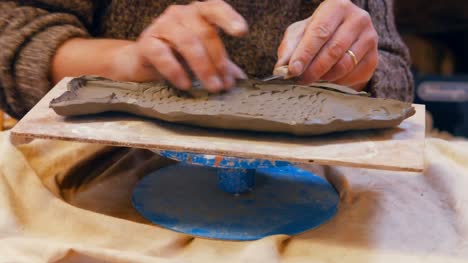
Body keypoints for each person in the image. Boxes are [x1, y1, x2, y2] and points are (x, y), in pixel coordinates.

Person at [0, 0, 413, 120]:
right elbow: (15, 32)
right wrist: (127, 62)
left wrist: (353, 69)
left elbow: (394, 74)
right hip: (111, 166)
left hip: (309, 176)